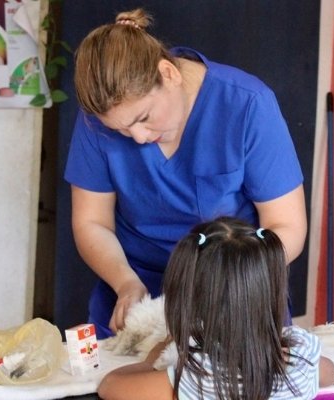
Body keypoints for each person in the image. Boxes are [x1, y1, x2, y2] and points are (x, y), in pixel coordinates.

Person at [66, 8, 307, 339]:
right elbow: (91, 222)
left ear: (168, 73)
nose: (137, 137)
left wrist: (234, 281)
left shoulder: (248, 104)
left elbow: (287, 225)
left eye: (144, 118)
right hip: (138, 292)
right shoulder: (98, 118)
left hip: (233, 292)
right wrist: (125, 282)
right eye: (120, 130)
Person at [97, 217, 334, 400]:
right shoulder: (301, 354)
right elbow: (330, 372)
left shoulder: (199, 376)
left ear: (187, 301)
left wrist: (153, 358)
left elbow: (110, 386)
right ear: (271, 292)